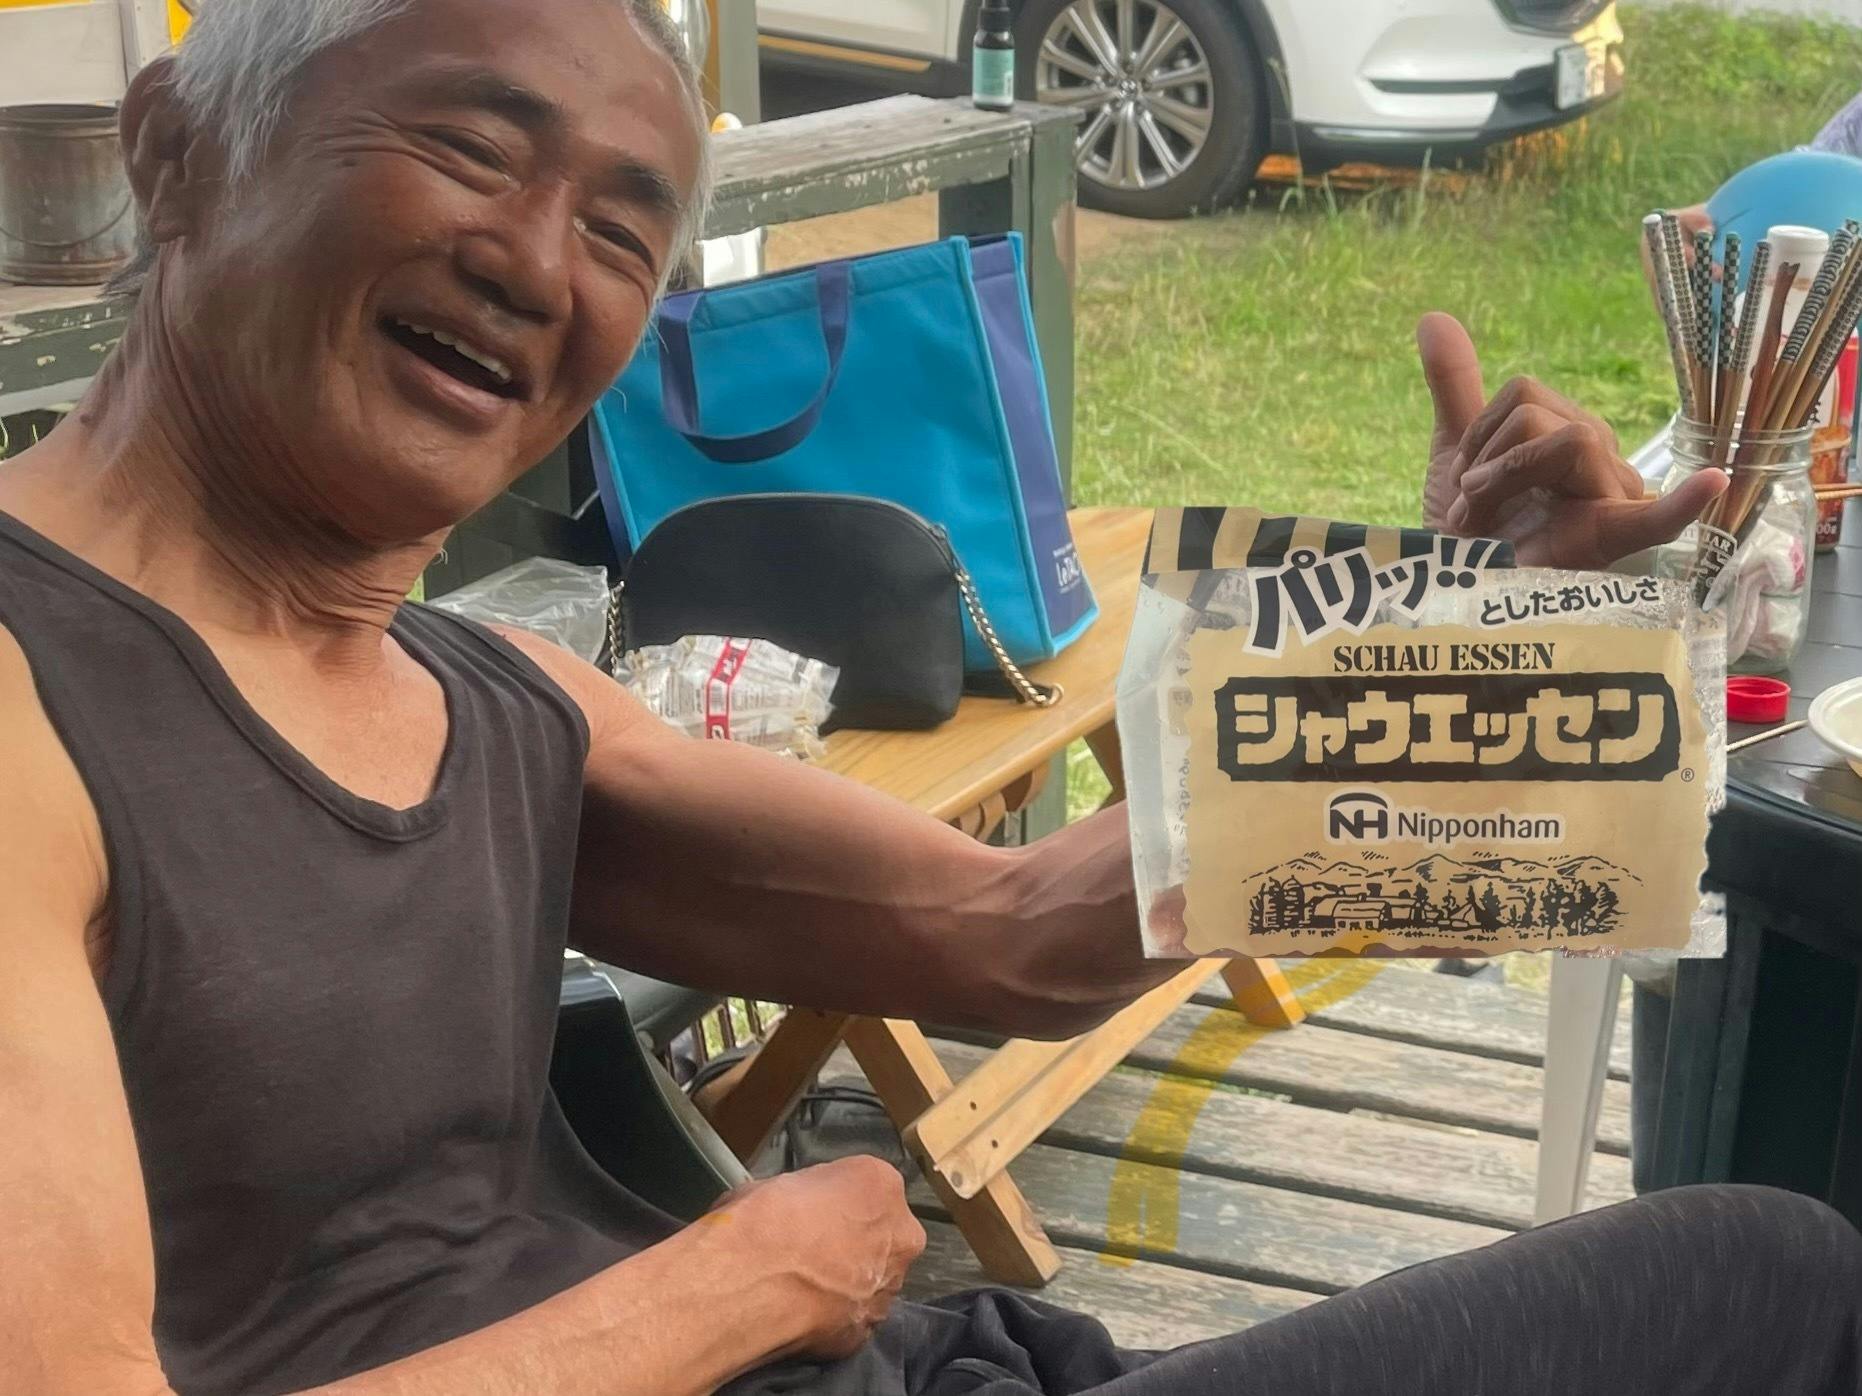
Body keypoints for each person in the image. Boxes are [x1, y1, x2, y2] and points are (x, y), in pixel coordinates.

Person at [0, 1, 1851, 1394]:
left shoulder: (490, 696)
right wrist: (734, 1286)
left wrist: (1481, 646)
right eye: (474, 151)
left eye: (625, 234)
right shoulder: (32, 699)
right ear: (178, 150)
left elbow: (1015, 935)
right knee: (1761, 1295)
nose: (540, 263)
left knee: (1761, 1280)